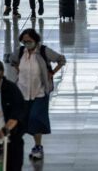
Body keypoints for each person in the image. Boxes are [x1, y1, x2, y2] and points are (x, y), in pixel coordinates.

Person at [8, 28, 66, 161]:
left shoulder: (44, 51)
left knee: (35, 118)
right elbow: (11, 59)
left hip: (39, 93)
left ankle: (38, 146)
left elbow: (61, 60)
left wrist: (51, 73)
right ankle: (13, 145)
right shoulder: (21, 52)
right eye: (24, 41)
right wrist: (17, 69)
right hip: (22, 93)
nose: (27, 44)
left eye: (29, 41)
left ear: (35, 40)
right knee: (21, 121)